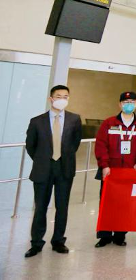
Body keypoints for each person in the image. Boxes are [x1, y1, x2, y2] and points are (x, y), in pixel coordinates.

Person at [24, 85, 82, 258]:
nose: (62, 99)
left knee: (62, 207)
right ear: (51, 99)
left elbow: (75, 143)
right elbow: (31, 146)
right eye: (58, 96)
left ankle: (58, 241)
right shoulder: (37, 121)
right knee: (40, 207)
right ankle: (36, 243)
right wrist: (43, 159)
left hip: (64, 168)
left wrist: (62, 158)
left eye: (65, 96)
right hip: (43, 168)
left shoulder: (74, 119)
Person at [94, 91, 136, 248]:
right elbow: (101, 145)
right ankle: (104, 236)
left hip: (130, 171)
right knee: (107, 204)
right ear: (120, 104)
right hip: (111, 170)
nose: (129, 105)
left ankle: (120, 235)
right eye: (125, 102)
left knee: (125, 204)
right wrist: (104, 165)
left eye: (132, 102)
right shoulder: (109, 123)